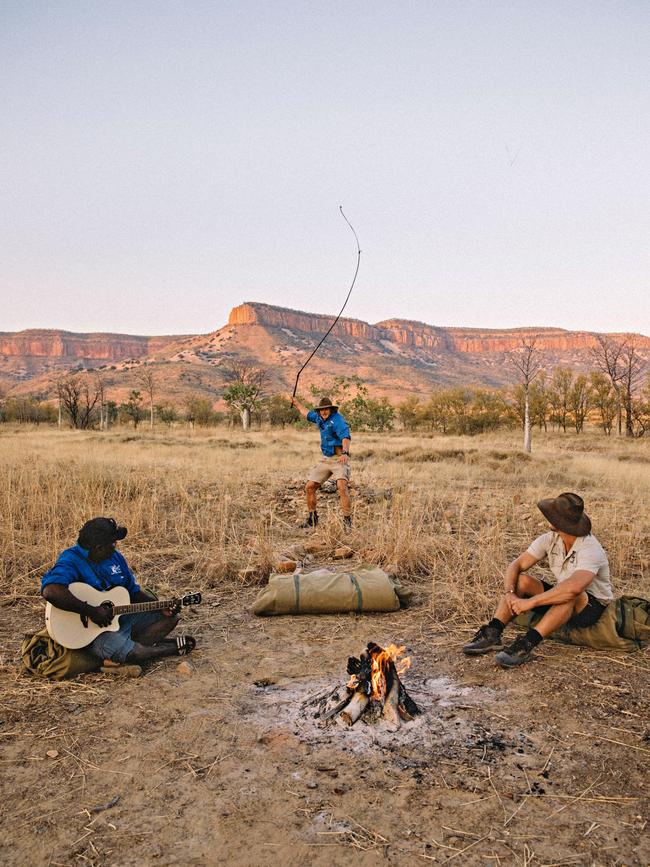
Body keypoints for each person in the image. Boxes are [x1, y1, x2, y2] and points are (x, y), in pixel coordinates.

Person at [463, 493, 613, 668]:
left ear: (560, 522)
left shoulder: (590, 548)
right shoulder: (551, 539)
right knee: (522, 581)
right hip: (565, 596)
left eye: (552, 515)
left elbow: (574, 588)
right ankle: (492, 633)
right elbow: (516, 565)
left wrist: (530, 603)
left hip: (592, 608)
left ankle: (526, 644)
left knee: (569, 594)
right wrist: (510, 594)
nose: (547, 518)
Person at [41, 517, 196, 664]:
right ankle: (166, 649)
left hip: (120, 619)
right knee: (135, 654)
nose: (115, 547)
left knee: (170, 618)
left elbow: (133, 593)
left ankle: (125, 649)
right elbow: (51, 591)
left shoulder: (115, 558)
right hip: (92, 633)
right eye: (112, 543)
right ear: (99, 548)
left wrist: (161, 606)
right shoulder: (70, 560)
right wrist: (92, 611)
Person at [291, 395, 352, 528]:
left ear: (331, 410)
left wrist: (345, 452)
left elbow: (345, 437)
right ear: (319, 411)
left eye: (326, 409)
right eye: (321, 410)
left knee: (342, 487)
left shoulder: (337, 420)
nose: (324, 412)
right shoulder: (318, 418)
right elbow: (305, 412)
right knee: (310, 487)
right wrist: (296, 403)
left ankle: (347, 522)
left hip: (339, 459)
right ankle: (313, 519)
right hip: (325, 459)